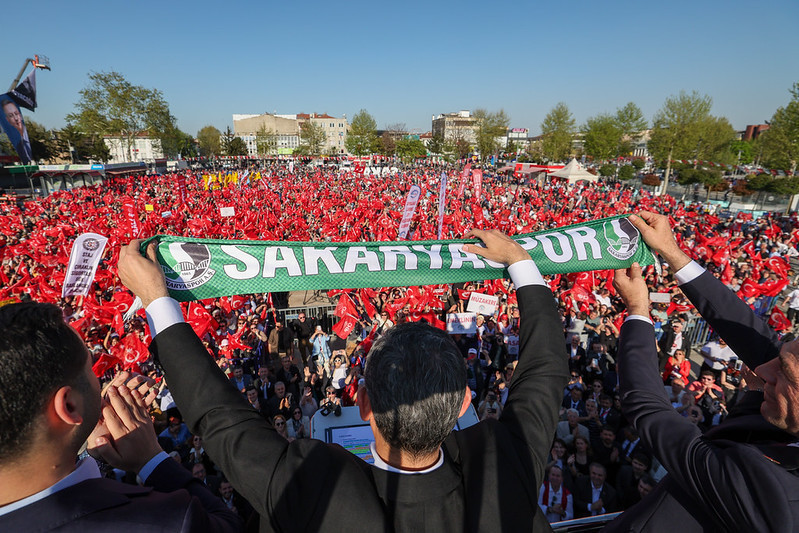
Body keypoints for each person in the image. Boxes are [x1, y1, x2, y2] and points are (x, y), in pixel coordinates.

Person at [118, 228, 567, 531]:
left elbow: (221, 419)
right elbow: (544, 373)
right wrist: (521, 262)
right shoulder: (506, 468)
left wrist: (156, 298)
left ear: (364, 403)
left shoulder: (316, 491)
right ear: (465, 402)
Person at [605, 211, 799, 532]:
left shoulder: (781, 505)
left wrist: (638, 310)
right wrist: (673, 253)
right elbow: (756, 337)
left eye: (784, 373)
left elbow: (649, 410)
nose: (763, 369)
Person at [0, 302, 241, 532]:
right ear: (69, 405)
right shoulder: (166, 523)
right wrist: (152, 460)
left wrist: (94, 451)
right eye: (91, 368)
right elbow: (227, 526)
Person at [1, 98, 32, 164]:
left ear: (20, 115)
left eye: (16, 113)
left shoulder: (26, 139)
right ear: (7, 119)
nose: (16, 118)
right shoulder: (16, 142)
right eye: (11, 116)